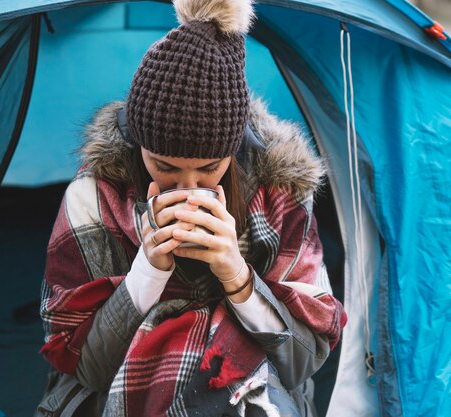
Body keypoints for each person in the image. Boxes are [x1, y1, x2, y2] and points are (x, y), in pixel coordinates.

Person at [36, 0, 346, 415]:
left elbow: (304, 361)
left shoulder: (279, 195)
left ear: (232, 154)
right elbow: (88, 369)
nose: (187, 186)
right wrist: (147, 272)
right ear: (137, 144)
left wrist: (237, 275)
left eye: (208, 169)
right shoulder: (92, 198)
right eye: (164, 167)